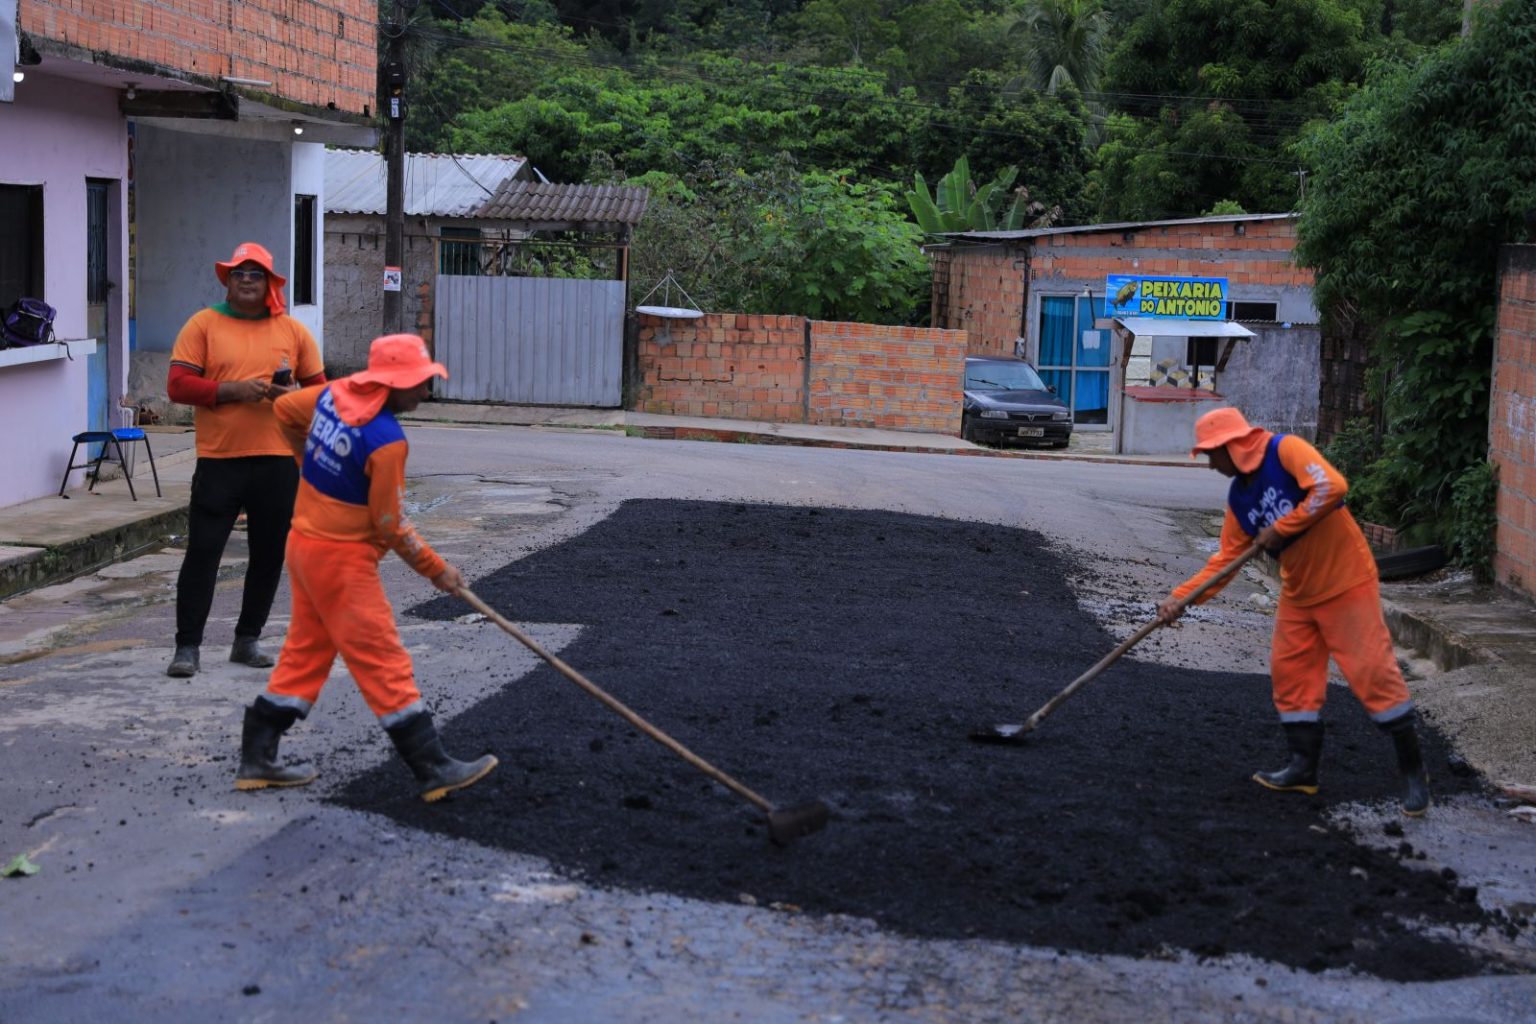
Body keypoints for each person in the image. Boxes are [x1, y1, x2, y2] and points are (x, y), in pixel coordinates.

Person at [233, 333, 497, 802]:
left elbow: (284, 411)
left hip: (304, 545)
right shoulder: (386, 440)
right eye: (415, 383)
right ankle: (432, 765)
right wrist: (438, 571)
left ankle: (258, 755)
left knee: (306, 653)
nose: (423, 391)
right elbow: (392, 524)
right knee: (382, 656)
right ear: (389, 383)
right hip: (341, 560)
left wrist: (307, 463)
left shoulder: (336, 392)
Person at [1155, 407, 1430, 817]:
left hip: (1345, 581)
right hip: (1300, 592)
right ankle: (1303, 768)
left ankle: (1413, 772)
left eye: (1212, 454)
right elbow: (1226, 561)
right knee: (1291, 676)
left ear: (1232, 447)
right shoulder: (1240, 500)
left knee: (1372, 672)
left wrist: (1284, 527)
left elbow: (1331, 486)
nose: (1211, 464)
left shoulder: (1286, 451)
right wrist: (1181, 598)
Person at [165, 242, 326, 678]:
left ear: (271, 283)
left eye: (256, 273)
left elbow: (321, 396)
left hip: (278, 462)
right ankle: (187, 647)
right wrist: (230, 391)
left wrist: (291, 397)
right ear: (228, 281)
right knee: (203, 552)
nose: (248, 279)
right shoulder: (204, 324)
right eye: (240, 273)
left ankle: (247, 638)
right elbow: (178, 386)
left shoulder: (292, 332)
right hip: (220, 460)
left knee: (269, 554)